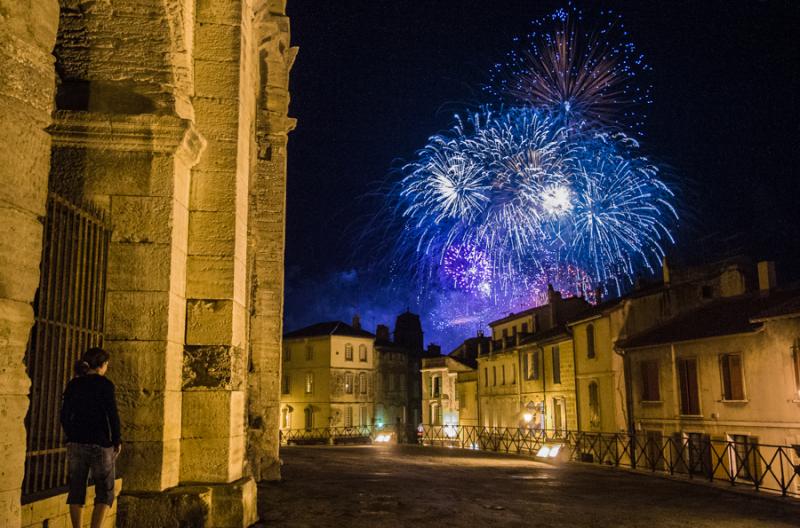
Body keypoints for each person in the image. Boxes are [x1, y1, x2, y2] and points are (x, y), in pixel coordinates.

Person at [60, 347, 121, 528]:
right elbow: (112, 415)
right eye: (106, 364)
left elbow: (64, 415)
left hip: (77, 443)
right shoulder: (105, 385)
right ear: (102, 365)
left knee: (76, 490)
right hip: (100, 443)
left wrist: (71, 435)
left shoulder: (74, 384)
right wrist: (117, 440)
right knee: (105, 492)